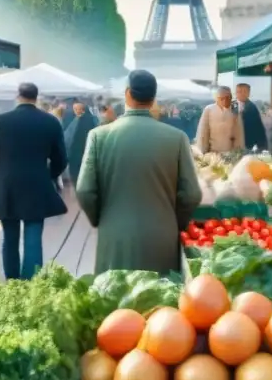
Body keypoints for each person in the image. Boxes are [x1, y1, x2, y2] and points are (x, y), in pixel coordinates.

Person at [76, 70, 201, 274]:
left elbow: (84, 190)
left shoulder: (98, 136)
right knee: (162, 301)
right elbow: (192, 194)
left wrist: (101, 218)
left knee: (115, 299)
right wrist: (173, 220)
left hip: (115, 235)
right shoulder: (177, 138)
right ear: (153, 99)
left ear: (127, 94)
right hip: (162, 236)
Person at [0, 82, 67, 280]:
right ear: (36, 98)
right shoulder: (50, 122)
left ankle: (12, 284)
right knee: (33, 237)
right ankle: (31, 286)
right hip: (37, 184)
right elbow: (61, 159)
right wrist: (48, 175)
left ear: (17, 96)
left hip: (7, 185)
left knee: (9, 238)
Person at [195, 86, 244, 153]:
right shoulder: (209, 109)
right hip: (212, 153)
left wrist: (238, 152)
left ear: (231, 97)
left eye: (227, 98)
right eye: (222, 98)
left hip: (230, 154)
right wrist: (203, 151)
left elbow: (239, 134)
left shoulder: (235, 110)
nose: (225, 101)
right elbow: (203, 132)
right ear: (216, 99)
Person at [64, 101, 97, 185]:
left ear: (82, 109)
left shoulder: (77, 121)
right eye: (75, 109)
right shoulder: (93, 119)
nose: (76, 110)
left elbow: (68, 137)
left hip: (77, 152)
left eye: (77, 109)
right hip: (88, 151)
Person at [235, 83, 267, 151]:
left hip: (248, 144)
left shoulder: (252, 108)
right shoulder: (230, 106)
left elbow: (258, 127)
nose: (242, 94)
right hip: (232, 143)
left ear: (249, 93)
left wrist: (261, 145)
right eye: (239, 91)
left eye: (245, 91)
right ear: (236, 93)